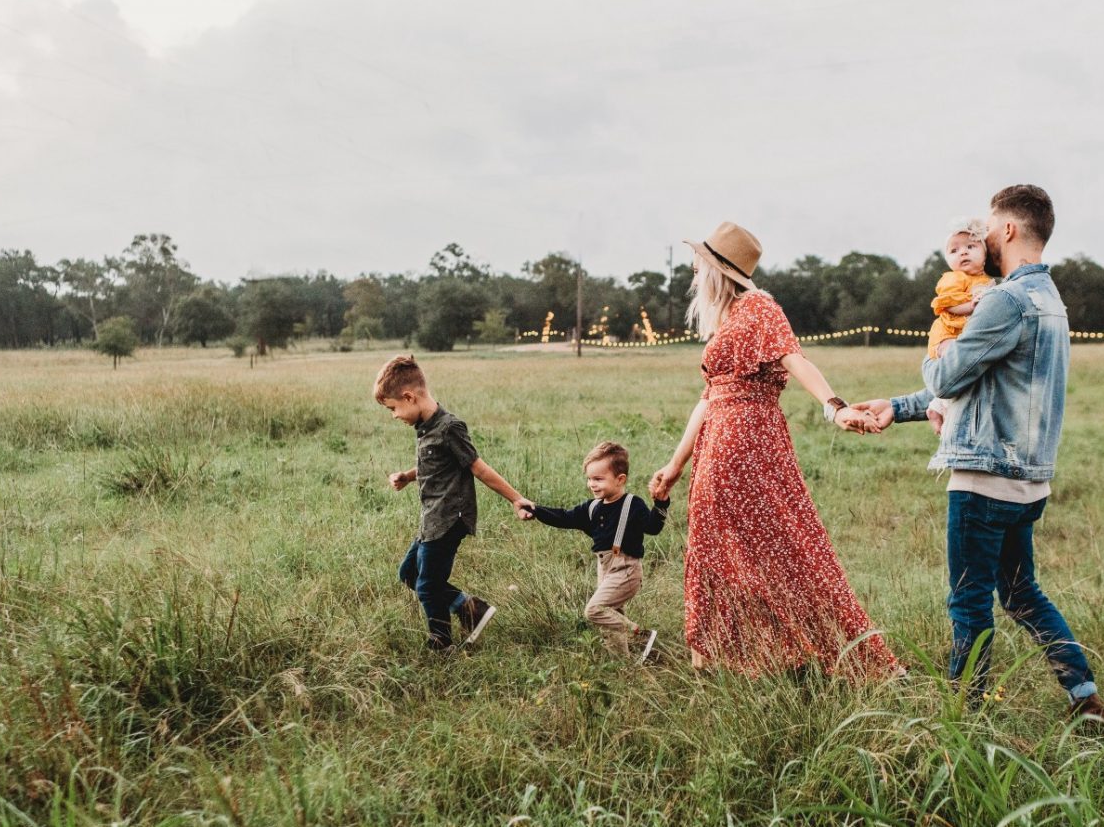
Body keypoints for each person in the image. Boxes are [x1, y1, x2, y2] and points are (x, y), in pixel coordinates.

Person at [853, 186, 1104, 725]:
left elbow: (949, 374)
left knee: (968, 601)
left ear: (1008, 231)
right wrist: (899, 407)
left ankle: (963, 717)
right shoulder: (1050, 300)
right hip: (1028, 482)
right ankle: (1085, 698)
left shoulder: (1004, 300)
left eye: (988, 228)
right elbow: (985, 383)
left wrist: (936, 350)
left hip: (983, 479)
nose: (979, 238)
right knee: (1022, 594)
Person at [648, 221, 902, 678]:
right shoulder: (727, 318)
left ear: (718, 270)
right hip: (719, 441)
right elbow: (707, 400)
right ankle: (724, 656)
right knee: (718, 548)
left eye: (698, 264)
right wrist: (674, 464)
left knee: (781, 546)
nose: (692, 271)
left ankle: (812, 651)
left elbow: (795, 358)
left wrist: (834, 407)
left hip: (746, 440)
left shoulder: (759, 307)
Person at [373, 355, 531, 651]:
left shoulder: (449, 427)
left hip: (449, 519)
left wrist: (517, 499)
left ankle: (441, 641)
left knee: (428, 585)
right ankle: (471, 609)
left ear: (409, 396)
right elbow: (436, 467)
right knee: (409, 573)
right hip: (431, 519)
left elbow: (478, 468)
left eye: (393, 408)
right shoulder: (425, 428)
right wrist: (408, 476)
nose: (394, 415)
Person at [519, 442, 667, 662]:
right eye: (589, 479)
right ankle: (622, 664)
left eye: (598, 479)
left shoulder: (632, 504)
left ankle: (640, 636)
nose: (592, 484)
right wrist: (535, 509)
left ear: (620, 479)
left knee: (595, 610)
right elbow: (564, 517)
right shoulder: (592, 507)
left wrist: (661, 503)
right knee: (610, 619)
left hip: (626, 569)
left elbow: (653, 528)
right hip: (605, 569)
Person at [925, 218, 995, 433]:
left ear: (984, 254)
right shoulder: (954, 278)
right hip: (948, 333)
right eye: (954, 250)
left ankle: (937, 406)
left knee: (967, 368)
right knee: (955, 364)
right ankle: (944, 410)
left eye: (970, 247)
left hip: (964, 333)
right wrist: (971, 305)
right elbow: (948, 305)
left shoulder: (987, 280)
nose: (962, 253)